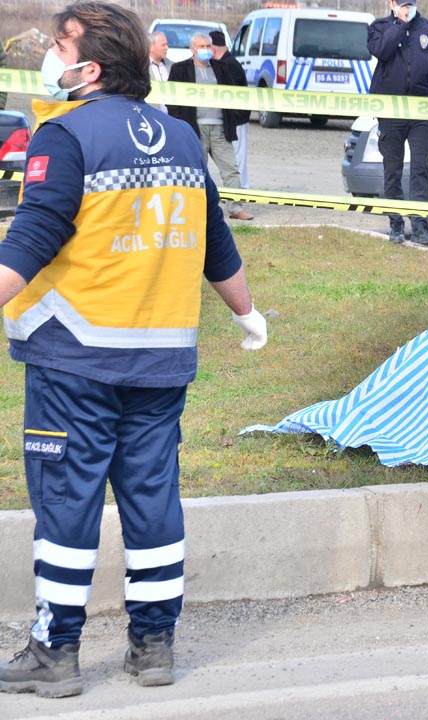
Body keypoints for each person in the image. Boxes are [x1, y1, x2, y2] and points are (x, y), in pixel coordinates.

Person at [0, 1, 267, 698]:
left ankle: (55, 652)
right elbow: (215, 242)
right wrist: (247, 313)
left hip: (74, 360)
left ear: (88, 68)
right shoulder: (179, 138)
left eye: (59, 47)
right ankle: (154, 646)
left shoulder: (65, 135)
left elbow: (33, 237)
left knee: (68, 501)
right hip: (159, 362)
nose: (50, 58)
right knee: (152, 500)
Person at [368, 0, 428, 245]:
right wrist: (399, 24)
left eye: (410, 3)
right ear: (391, 3)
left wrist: (425, 91)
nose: (407, 8)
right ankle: (396, 224)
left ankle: (420, 227)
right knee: (393, 170)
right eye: (402, 3)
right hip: (391, 111)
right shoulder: (379, 27)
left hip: (421, 111)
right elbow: (382, 51)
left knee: (420, 170)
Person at [167, 32, 253, 221]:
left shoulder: (222, 68)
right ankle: (195, 210)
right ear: (192, 49)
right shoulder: (180, 70)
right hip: (194, 130)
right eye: (202, 46)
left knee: (231, 169)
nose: (206, 50)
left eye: (208, 46)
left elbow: (233, 95)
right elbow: (171, 99)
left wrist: (234, 117)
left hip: (220, 129)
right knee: (195, 172)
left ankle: (236, 208)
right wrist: (179, 124)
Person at [209, 30, 250, 190]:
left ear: (213, 48)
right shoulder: (227, 63)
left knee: (237, 157)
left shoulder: (229, 65)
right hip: (233, 119)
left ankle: (240, 189)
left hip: (236, 120)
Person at [147, 31, 171, 113]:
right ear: (151, 47)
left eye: (167, 44)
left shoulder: (172, 66)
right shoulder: (141, 67)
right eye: (163, 45)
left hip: (170, 116)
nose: (166, 48)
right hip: (150, 115)